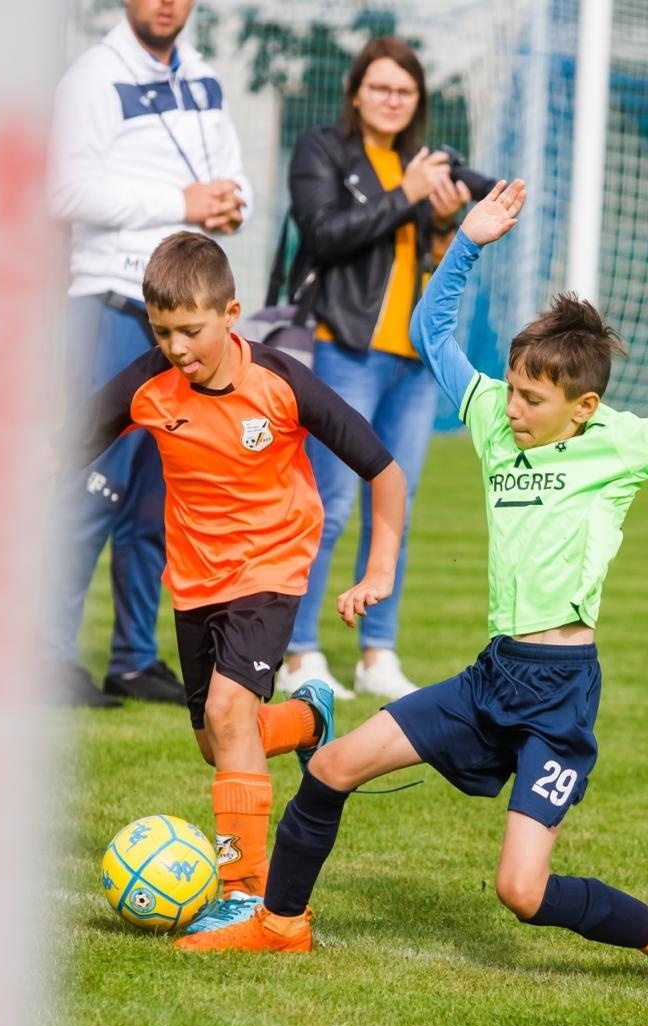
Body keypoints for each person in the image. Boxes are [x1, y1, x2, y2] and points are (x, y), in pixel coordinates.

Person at [174, 180, 648, 991]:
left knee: (522, 890)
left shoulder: (621, 445)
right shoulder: (489, 416)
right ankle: (279, 921)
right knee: (330, 766)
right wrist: (467, 241)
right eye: (510, 388)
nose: (510, 407)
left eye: (532, 399)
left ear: (581, 408)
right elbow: (430, 330)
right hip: (490, 677)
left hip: (558, 694)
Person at [66, 230, 407, 932]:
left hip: (273, 566)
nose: (176, 347)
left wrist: (378, 569)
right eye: (162, 331)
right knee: (218, 741)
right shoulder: (148, 386)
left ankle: (248, 895)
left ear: (230, 314)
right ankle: (311, 718)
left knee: (227, 716)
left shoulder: (281, 382)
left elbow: (384, 468)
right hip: (195, 582)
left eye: (191, 330)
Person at [45, 0, 251, 707]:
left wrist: (231, 203)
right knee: (90, 484)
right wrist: (185, 203)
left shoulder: (204, 77)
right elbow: (65, 188)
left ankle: (133, 657)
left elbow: (232, 177)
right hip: (112, 304)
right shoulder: (92, 78)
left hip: (188, 318)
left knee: (156, 499)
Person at [274, 37, 472, 703]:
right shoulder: (323, 151)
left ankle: (375, 653)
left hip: (413, 362)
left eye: (405, 91)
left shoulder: (425, 166)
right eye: (381, 87)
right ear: (356, 91)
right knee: (328, 507)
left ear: (418, 102)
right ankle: (298, 652)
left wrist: (443, 222)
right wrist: (404, 193)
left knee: (398, 509)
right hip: (343, 349)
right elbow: (323, 232)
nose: (393, 99)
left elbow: (431, 263)